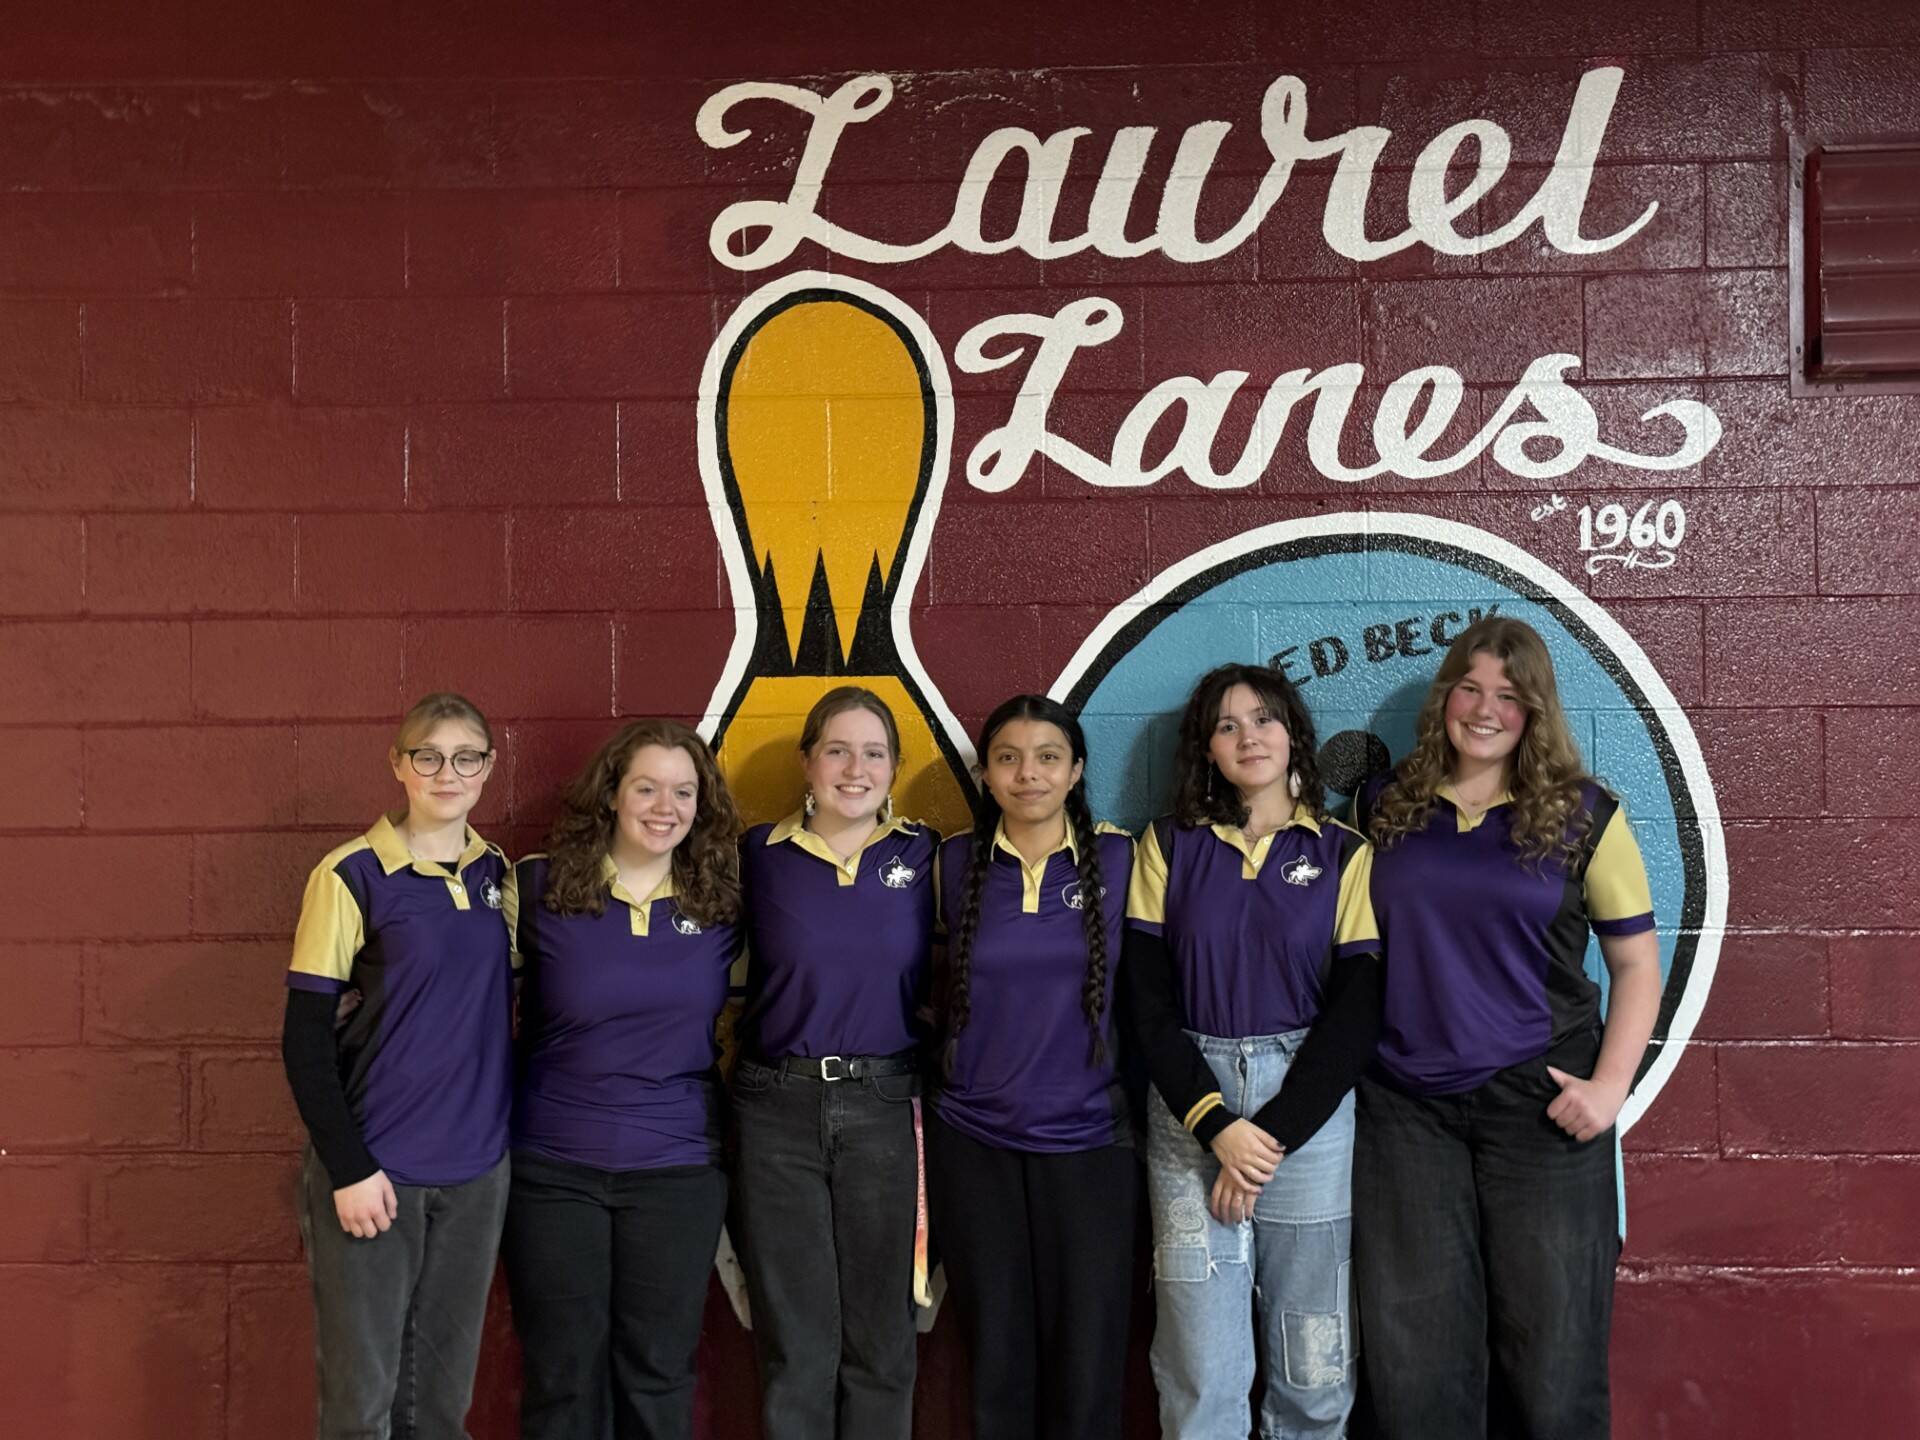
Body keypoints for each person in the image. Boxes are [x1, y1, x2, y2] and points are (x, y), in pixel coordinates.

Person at [1352, 616, 1661, 1440]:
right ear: (1445, 696)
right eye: (1471, 688)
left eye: (1510, 696)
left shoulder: (1587, 814)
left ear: (1536, 712)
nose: (1485, 710)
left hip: (1541, 1106)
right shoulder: (1384, 804)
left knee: (1553, 1369)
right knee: (1414, 1369)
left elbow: (1636, 968)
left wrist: (1609, 1090)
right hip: (1405, 1109)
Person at [1124, 663, 1383, 1439]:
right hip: (1189, 1113)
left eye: (1264, 719)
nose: (1249, 737)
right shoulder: (1168, 845)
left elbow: (1358, 1008)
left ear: (1294, 734)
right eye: (1228, 725)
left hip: (1304, 1117)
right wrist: (1216, 1128)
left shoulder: (1343, 852)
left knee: (1315, 1359)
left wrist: (1266, 1141)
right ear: (1206, 747)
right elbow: (1145, 1002)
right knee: (1201, 1370)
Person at [282, 691, 516, 1440]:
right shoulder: (349, 874)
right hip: (377, 1171)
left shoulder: (496, 874)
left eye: (466, 757)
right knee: (363, 1410)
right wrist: (348, 1167)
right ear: (399, 765)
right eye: (429, 756)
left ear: (488, 767)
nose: (448, 773)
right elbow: (304, 1040)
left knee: (441, 1409)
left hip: (476, 1173)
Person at [504, 718, 744, 1440]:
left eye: (683, 791)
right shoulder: (537, 885)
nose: (664, 805)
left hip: (676, 1172)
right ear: (612, 794)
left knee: (658, 1372)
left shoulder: (723, 904)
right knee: (561, 1376)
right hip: (553, 1169)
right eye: (646, 786)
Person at [923, 693, 1137, 1440]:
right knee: (998, 1362)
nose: (1028, 775)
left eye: (1048, 757)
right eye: (1008, 759)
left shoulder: (1120, 858)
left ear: (1076, 770)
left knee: (1087, 1363)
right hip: (974, 1141)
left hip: (1088, 1146)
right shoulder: (951, 863)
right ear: (986, 774)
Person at [730, 686, 936, 1440]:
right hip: (774, 1107)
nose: (856, 768)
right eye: (838, 750)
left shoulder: (924, 857)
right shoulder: (758, 855)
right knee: (796, 1343)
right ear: (807, 763)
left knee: (882, 1338)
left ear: (894, 767)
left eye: (874, 753)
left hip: (884, 1104)